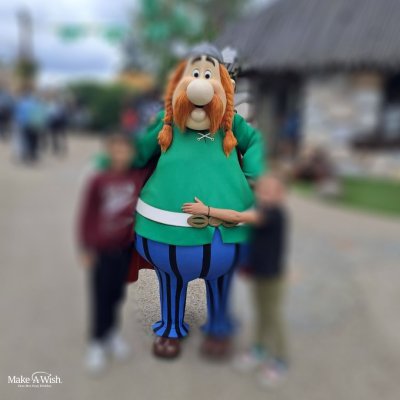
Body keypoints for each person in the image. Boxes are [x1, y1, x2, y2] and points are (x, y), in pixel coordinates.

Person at [182, 173, 289, 387]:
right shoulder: (263, 209)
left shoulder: (274, 214)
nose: (265, 195)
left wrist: (207, 210)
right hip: (260, 274)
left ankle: (280, 359)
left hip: (272, 277)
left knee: (272, 316)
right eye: (262, 191)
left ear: (281, 195)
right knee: (261, 313)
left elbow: (238, 217)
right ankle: (259, 349)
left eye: (271, 192)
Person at [77, 134, 149, 375]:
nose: (120, 155)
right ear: (108, 152)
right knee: (101, 295)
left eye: (125, 150)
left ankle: (111, 334)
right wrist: (85, 247)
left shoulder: (137, 177)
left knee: (118, 294)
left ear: (132, 154)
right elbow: (86, 215)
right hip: (102, 250)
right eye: (115, 150)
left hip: (125, 248)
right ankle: (96, 341)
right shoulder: (98, 180)